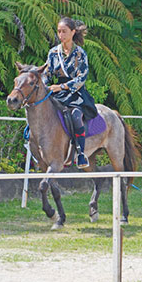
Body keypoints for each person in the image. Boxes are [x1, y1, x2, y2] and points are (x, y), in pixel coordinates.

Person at [41, 17, 98, 169]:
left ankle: (80, 153)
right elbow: (46, 72)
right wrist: (46, 85)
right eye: (59, 31)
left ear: (73, 32)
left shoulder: (80, 53)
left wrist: (63, 87)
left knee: (76, 116)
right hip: (56, 91)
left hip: (75, 93)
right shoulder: (53, 52)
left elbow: (82, 77)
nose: (61, 35)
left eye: (64, 31)